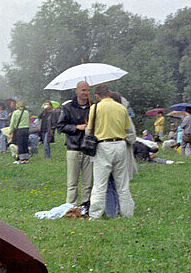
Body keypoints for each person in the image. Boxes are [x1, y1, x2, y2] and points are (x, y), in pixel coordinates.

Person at [86, 84, 135, 220]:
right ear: (109, 92)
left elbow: (90, 130)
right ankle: (127, 214)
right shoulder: (121, 108)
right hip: (120, 145)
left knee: (100, 184)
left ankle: (95, 215)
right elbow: (127, 128)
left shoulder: (94, 108)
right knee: (122, 184)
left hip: (103, 146)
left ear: (97, 96)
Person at [56, 81, 94, 207]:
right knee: (72, 182)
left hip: (89, 148)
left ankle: (85, 206)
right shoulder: (67, 107)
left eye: (88, 90)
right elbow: (60, 126)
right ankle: (71, 206)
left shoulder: (93, 107)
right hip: (73, 148)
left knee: (88, 182)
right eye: (83, 90)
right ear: (76, 91)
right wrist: (77, 127)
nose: (86, 93)